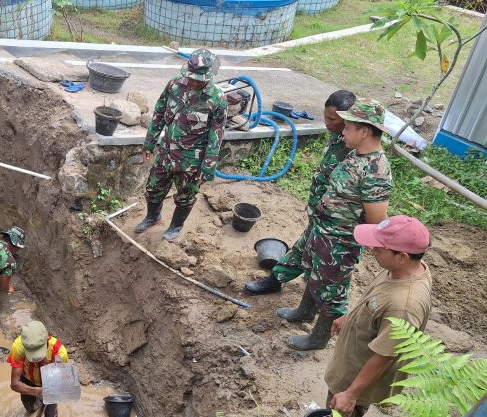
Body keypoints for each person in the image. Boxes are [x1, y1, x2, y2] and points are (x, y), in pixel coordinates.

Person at [248, 99, 394, 350]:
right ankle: (304, 311)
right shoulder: (356, 155)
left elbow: (376, 221)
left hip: (339, 241)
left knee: (331, 289)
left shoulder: (375, 170)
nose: (343, 131)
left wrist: (348, 244)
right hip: (322, 230)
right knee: (313, 270)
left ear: (364, 131)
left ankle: (318, 338)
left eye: (348, 127)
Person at [245, 90, 356, 294]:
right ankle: (286, 278)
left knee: (312, 255)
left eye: (332, 119)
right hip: (321, 211)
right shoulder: (338, 137)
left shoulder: (354, 148)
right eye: (325, 117)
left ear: (348, 120)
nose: (326, 122)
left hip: (335, 221)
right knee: (306, 247)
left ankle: (281, 283)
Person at [325, 215, 432, 417]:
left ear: (402, 256)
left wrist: (351, 393)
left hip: (358, 375)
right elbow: (375, 300)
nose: (371, 249)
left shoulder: (404, 305)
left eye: (379, 248)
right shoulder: (402, 269)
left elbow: (385, 354)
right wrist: (350, 317)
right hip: (355, 357)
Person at [134, 48, 228, 242]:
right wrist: (149, 143)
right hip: (166, 152)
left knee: (185, 196)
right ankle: (153, 216)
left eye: (198, 79)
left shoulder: (217, 98)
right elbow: (159, 113)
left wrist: (207, 168)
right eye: (191, 77)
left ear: (209, 76)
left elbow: (216, 136)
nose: (193, 82)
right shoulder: (175, 85)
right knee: (153, 188)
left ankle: (176, 226)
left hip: (191, 160)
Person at [7, 320, 68, 417]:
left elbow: (58, 383)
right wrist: (37, 392)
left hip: (49, 382)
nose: (35, 360)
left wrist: (45, 399)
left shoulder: (59, 352)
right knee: (29, 406)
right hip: (27, 379)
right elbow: (14, 384)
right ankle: (33, 410)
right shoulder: (18, 346)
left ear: (47, 340)